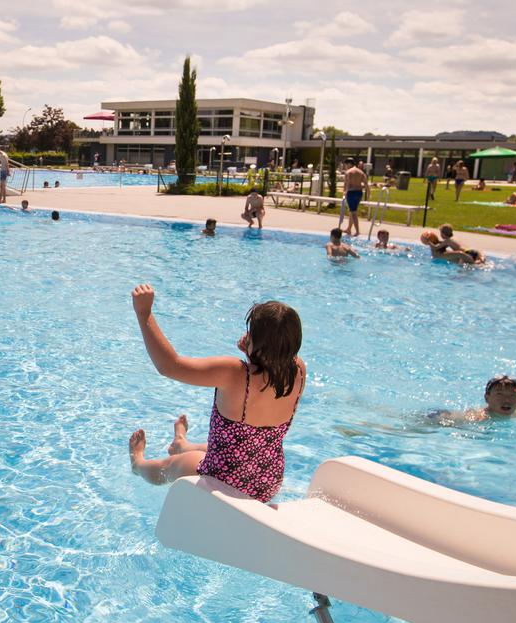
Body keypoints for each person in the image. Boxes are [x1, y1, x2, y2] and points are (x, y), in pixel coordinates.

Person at [126, 284, 306, 503]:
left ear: (257, 343)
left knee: (170, 467)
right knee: (238, 447)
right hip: (267, 481)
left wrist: (144, 313)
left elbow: (169, 366)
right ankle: (182, 444)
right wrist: (255, 354)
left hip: (222, 479)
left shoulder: (234, 373)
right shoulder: (299, 370)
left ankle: (138, 463)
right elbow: (265, 384)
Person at [429, 376, 516, 423]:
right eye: (499, 394)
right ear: (487, 398)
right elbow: (447, 419)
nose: (506, 400)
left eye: (512, 395)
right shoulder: (479, 417)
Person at [343, 159, 367, 237]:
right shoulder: (361, 172)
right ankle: (349, 229)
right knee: (352, 211)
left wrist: (345, 193)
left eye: (346, 165)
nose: (345, 167)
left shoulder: (348, 172)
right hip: (359, 193)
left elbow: (347, 184)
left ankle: (357, 231)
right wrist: (369, 195)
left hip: (351, 193)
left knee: (353, 213)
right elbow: (366, 184)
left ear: (349, 164)